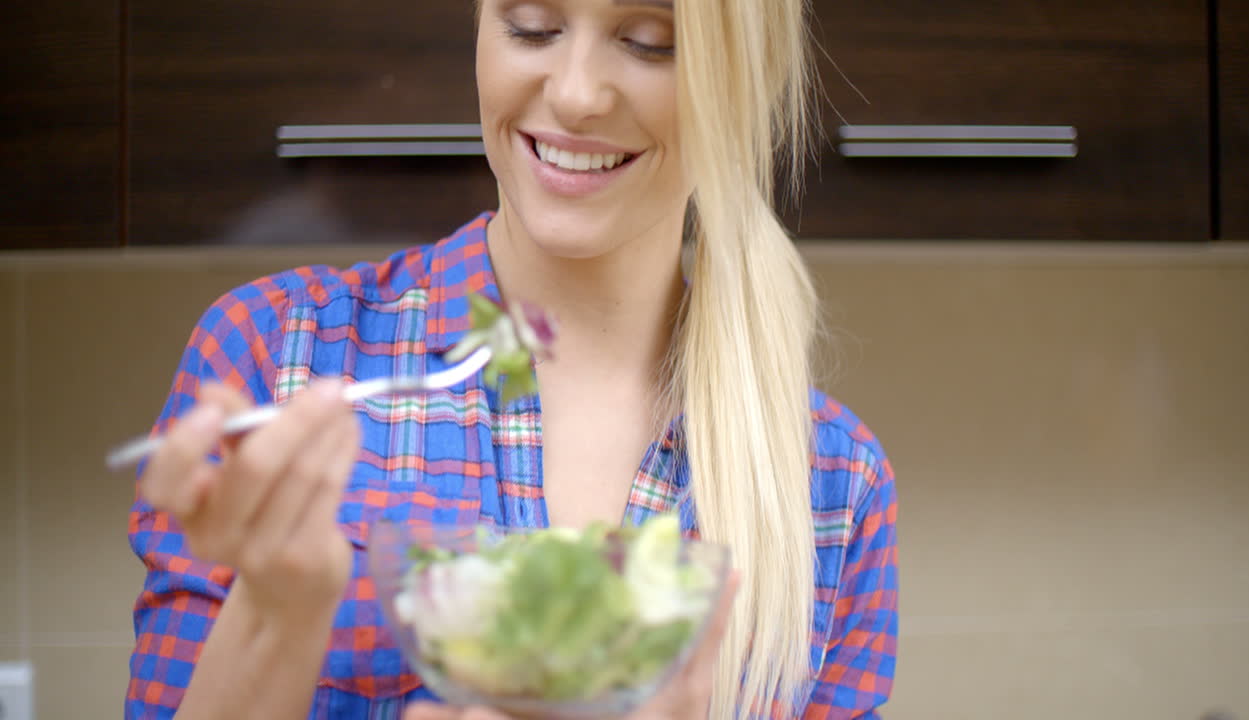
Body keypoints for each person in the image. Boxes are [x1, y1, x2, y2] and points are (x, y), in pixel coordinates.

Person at [124, 0, 899, 718]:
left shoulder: (832, 483)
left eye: (648, 43)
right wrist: (278, 612)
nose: (575, 94)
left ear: (744, 85)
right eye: (531, 26)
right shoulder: (277, 352)